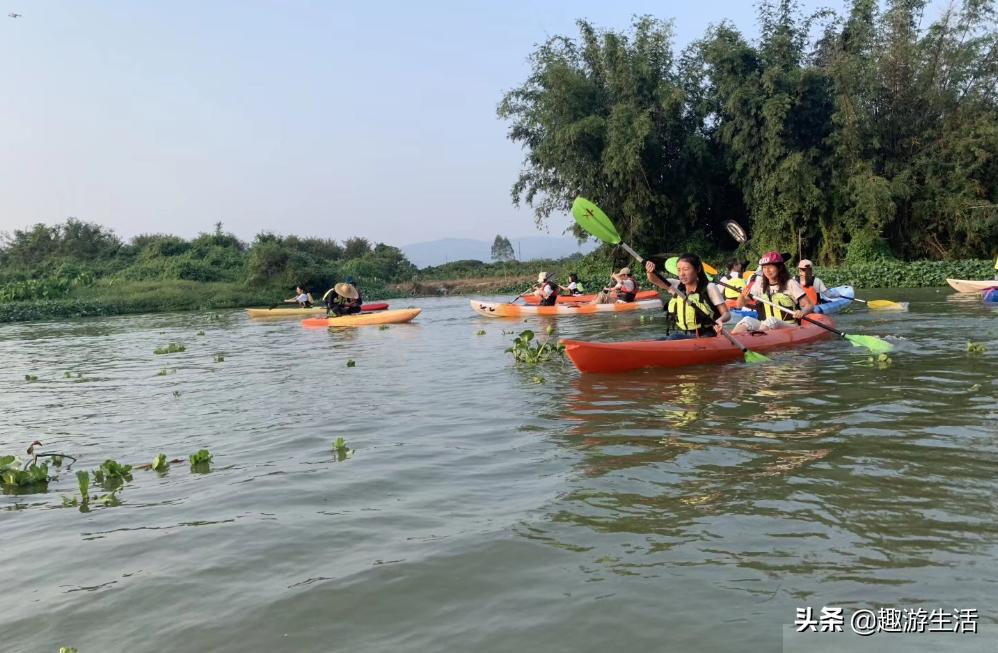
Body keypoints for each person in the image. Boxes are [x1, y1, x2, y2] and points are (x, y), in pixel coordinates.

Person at [645, 254, 730, 340]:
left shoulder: (709, 287)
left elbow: (726, 314)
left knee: (673, 338)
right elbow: (654, 279)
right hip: (682, 334)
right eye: (679, 270)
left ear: (698, 269)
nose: (682, 274)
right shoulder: (676, 286)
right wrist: (649, 271)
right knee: (660, 340)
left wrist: (720, 320)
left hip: (705, 334)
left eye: (686, 269)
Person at [731, 252, 815, 333]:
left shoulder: (790, 283)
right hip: (765, 324)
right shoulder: (760, 284)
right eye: (764, 267)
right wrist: (742, 295)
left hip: (789, 326)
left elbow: (809, 305)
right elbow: (739, 305)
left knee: (772, 320)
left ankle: (758, 338)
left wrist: (802, 312)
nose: (767, 271)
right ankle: (733, 341)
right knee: (747, 320)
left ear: (779, 267)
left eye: (770, 267)